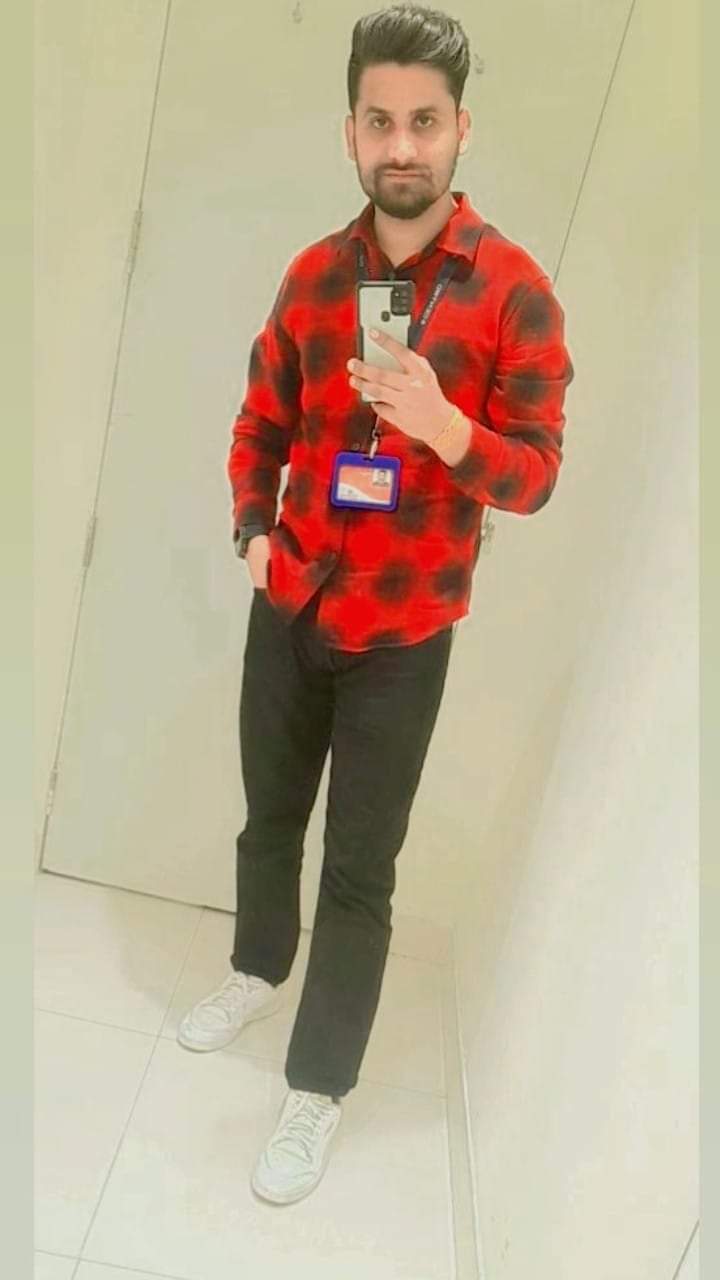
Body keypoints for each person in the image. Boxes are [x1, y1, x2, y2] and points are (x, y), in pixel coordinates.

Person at [178, 2, 574, 1206]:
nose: (402, 145)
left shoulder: (514, 294)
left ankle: (318, 1085)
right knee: (267, 819)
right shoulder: (312, 275)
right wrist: (252, 530)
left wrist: (448, 428)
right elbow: (260, 419)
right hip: (292, 599)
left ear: (462, 130)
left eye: (425, 121)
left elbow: (537, 473)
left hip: (405, 633)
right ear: (350, 131)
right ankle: (257, 966)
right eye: (380, 120)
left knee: (359, 867)